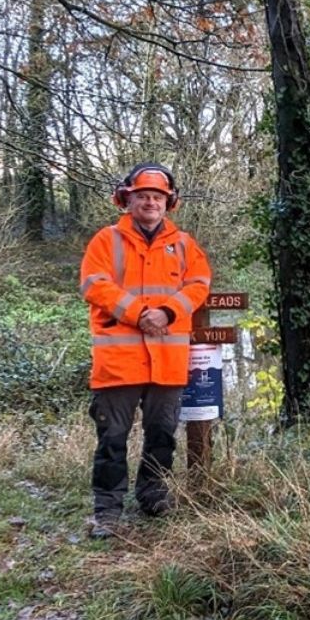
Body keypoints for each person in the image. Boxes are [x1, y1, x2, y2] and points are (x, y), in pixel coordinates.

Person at [79, 163, 211, 538]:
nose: (150, 202)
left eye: (157, 197)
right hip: (118, 362)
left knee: (162, 434)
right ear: (128, 200)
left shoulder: (184, 244)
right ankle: (107, 510)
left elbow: (199, 284)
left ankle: (153, 495)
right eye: (143, 197)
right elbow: (94, 284)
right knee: (112, 437)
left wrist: (168, 312)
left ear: (169, 203)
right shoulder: (106, 240)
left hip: (167, 360)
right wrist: (140, 315)